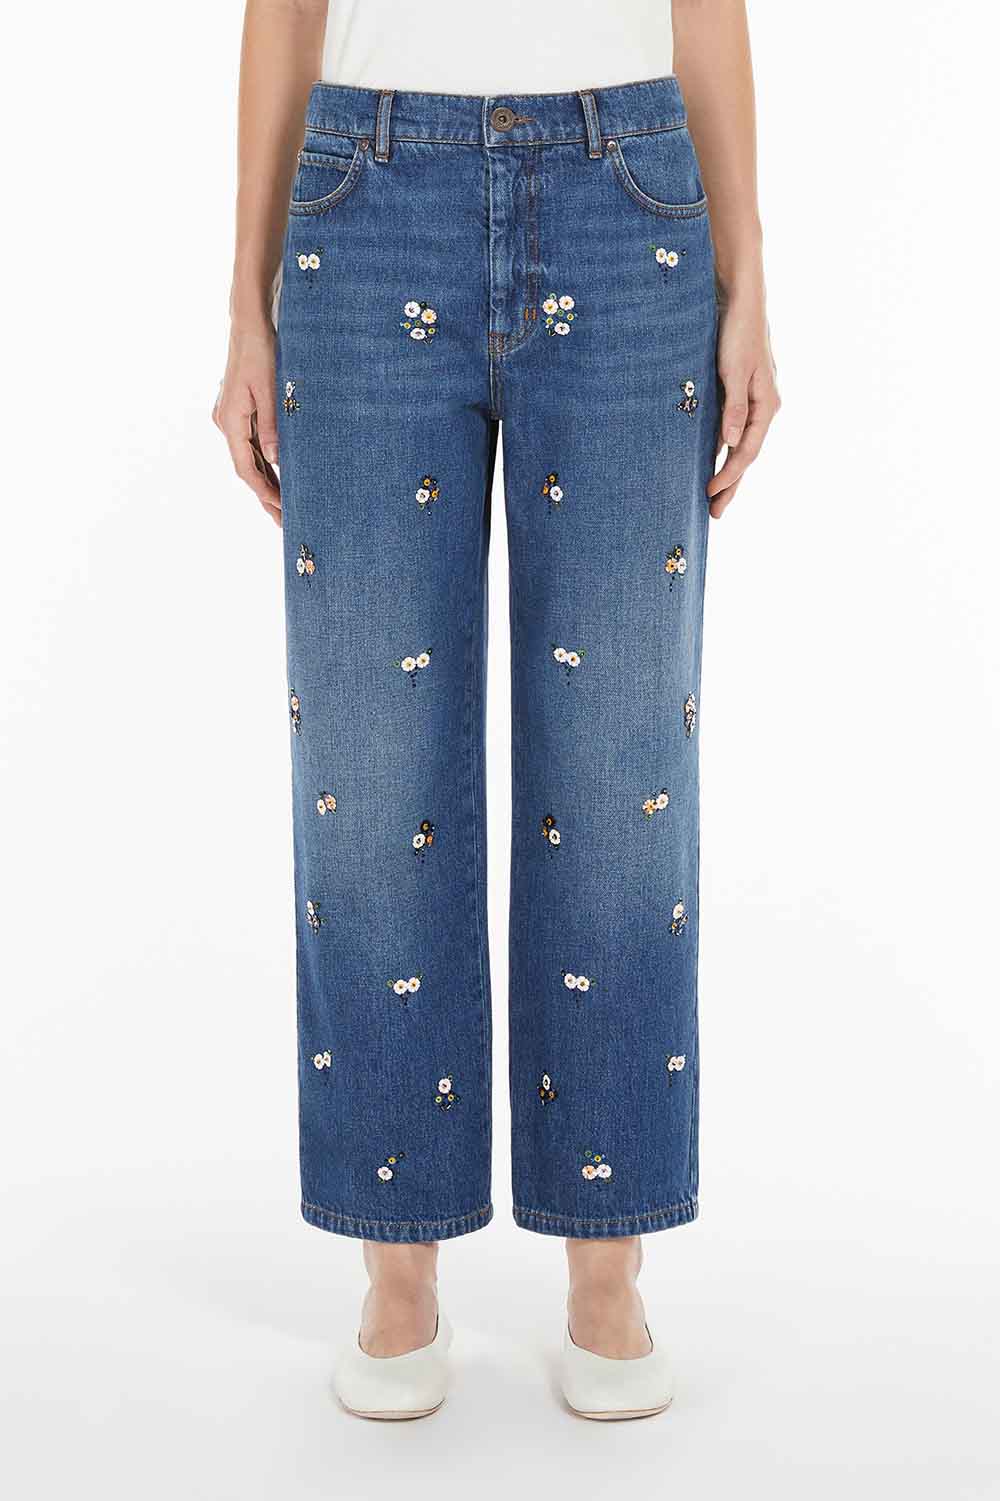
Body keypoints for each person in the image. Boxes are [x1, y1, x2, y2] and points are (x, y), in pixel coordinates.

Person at [213, 0, 779, 1421]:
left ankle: (608, 1265)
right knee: (366, 763)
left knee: (621, 767)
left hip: (627, 200)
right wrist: (243, 302)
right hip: (365, 204)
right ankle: (397, 1264)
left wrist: (750, 275)